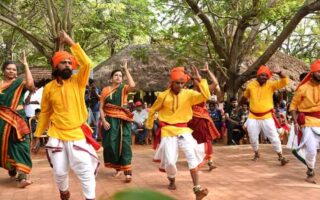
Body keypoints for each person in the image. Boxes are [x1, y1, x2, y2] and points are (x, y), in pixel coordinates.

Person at [33, 31, 100, 200]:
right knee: (60, 172)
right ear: (56, 67)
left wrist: (70, 41)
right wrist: (37, 135)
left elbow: (87, 63)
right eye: (63, 63)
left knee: (85, 170)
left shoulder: (79, 81)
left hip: (77, 133)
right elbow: (46, 113)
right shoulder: (49, 88)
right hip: (57, 134)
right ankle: (64, 192)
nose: (68, 65)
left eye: (70, 63)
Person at [146, 66, 210, 200]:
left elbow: (206, 96)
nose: (180, 85)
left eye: (182, 83)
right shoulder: (163, 96)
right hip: (168, 131)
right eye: (177, 83)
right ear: (171, 82)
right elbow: (152, 110)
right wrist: (149, 126)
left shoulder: (188, 94)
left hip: (184, 129)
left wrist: (199, 79)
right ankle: (172, 179)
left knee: (191, 155)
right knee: (170, 161)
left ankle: (197, 189)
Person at [0, 51, 34, 188]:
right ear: (3, 70)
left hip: (18, 118)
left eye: (14, 69)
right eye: (8, 69)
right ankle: (12, 167)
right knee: (5, 145)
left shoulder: (20, 83)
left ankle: (22, 177)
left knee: (23, 145)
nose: (12, 71)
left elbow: (31, 85)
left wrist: (26, 65)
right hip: (2, 119)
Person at [243, 65, 289, 165]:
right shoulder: (250, 85)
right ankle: (256, 153)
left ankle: (281, 157)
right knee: (253, 137)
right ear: (257, 75)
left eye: (266, 76)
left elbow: (285, 81)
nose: (264, 77)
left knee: (274, 137)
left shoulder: (271, 85)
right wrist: (239, 105)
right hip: (253, 116)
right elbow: (245, 96)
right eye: (262, 75)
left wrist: (280, 72)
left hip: (267, 116)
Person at [99, 60, 135, 183]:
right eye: (116, 75)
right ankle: (117, 169)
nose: (118, 77)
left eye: (120, 76)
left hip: (123, 120)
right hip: (109, 120)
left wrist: (125, 69)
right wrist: (103, 120)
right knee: (111, 146)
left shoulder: (124, 88)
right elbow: (101, 107)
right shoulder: (105, 90)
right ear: (111, 78)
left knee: (125, 144)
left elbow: (133, 85)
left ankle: (128, 172)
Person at [290, 60, 320, 184]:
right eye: (319, 72)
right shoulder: (303, 88)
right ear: (312, 73)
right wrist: (296, 122)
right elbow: (293, 107)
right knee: (312, 150)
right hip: (308, 122)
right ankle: (310, 171)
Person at [188, 63, 220, 171]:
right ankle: (196, 159)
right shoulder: (189, 92)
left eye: (197, 78)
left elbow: (215, 83)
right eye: (194, 79)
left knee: (207, 139)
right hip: (190, 119)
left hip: (202, 118)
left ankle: (210, 161)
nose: (196, 80)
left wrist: (208, 71)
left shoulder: (205, 90)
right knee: (193, 140)